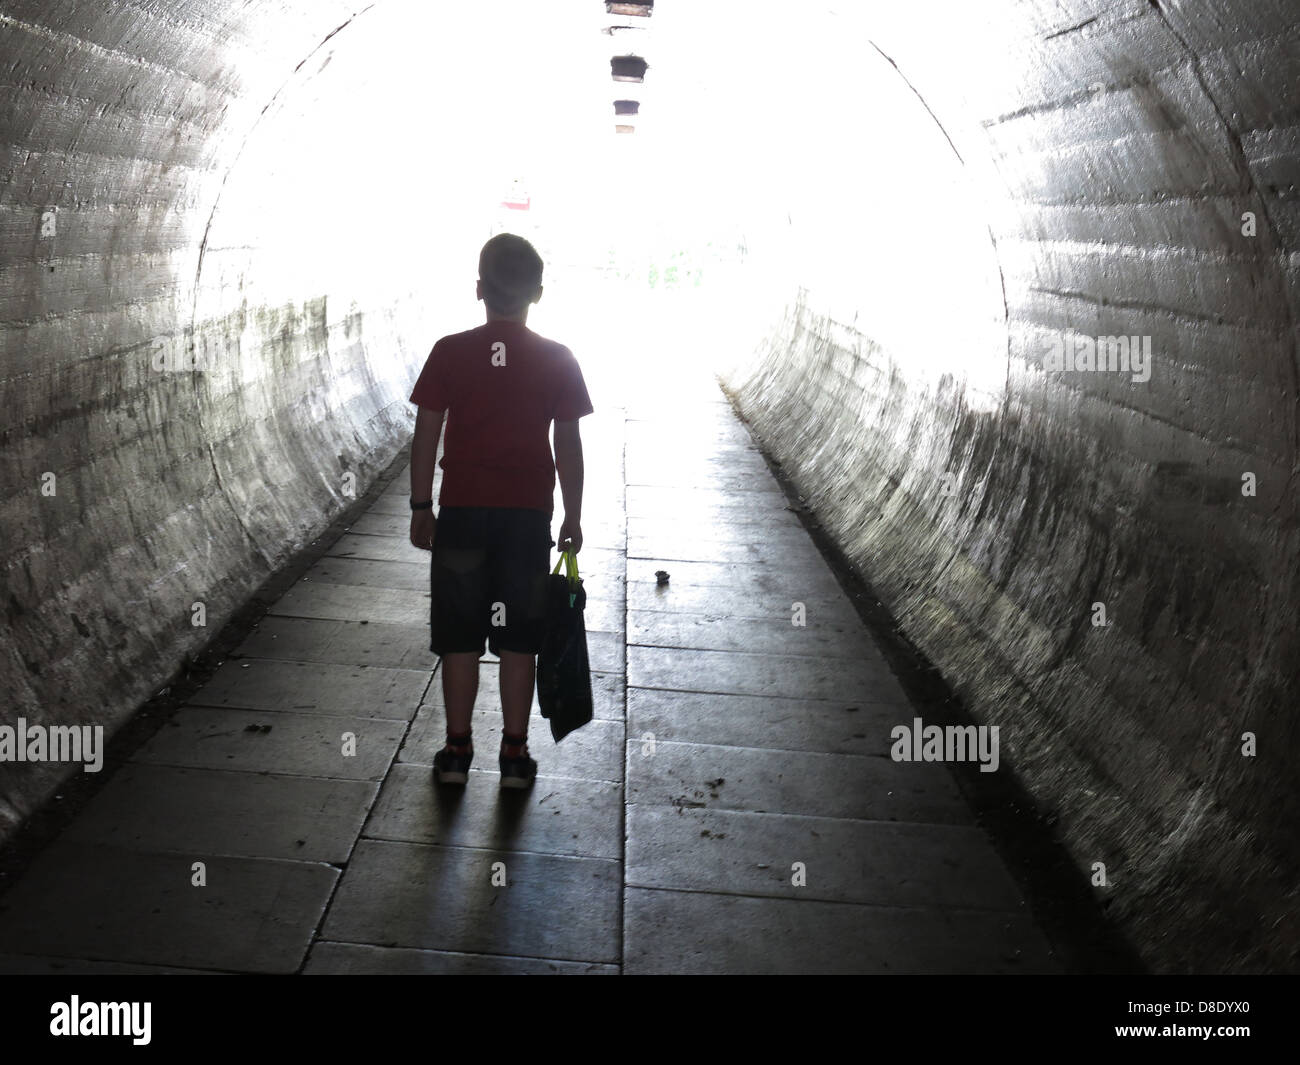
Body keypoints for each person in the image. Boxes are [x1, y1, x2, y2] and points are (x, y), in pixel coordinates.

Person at [407, 234, 592, 789]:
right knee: (518, 639)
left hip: (462, 516)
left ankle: (457, 751)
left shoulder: (449, 351)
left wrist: (422, 505)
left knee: (459, 637)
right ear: (538, 292)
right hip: (525, 520)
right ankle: (514, 755)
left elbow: (425, 434)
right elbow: (569, 446)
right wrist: (573, 518)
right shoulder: (558, 358)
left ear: (480, 289)